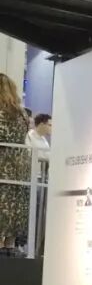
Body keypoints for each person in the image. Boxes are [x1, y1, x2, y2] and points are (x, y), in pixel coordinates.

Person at [0, 72, 30, 251]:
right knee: (13, 213)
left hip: (3, 167)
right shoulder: (22, 114)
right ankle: (10, 252)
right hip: (19, 167)